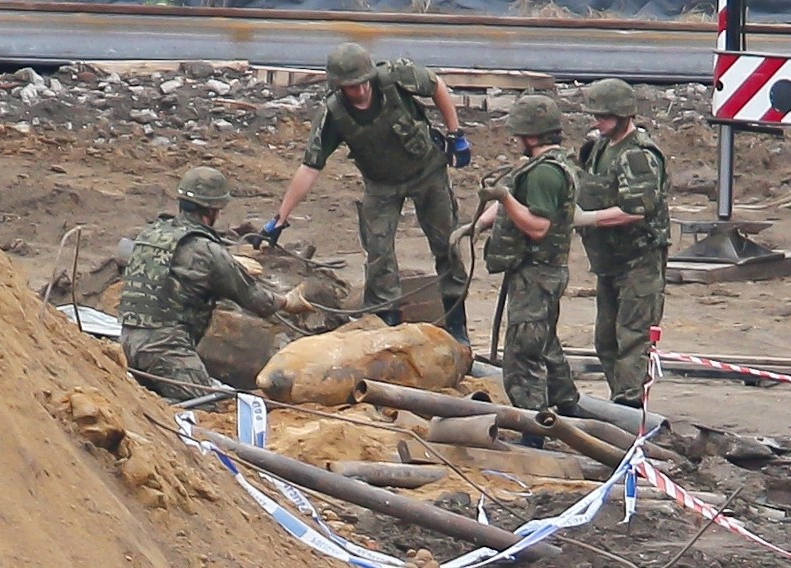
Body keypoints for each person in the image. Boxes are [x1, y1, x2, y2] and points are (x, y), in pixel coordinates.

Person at [253, 42, 472, 345]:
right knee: (379, 256)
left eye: (361, 83)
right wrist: (279, 219)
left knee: (447, 246)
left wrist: (455, 133)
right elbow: (309, 168)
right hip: (381, 185)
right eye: (349, 87)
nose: (358, 91)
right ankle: (387, 326)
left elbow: (436, 86)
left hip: (427, 173)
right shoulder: (334, 115)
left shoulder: (396, 77)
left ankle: (457, 327)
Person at [118, 166, 314, 402]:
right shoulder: (208, 251)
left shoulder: (150, 233)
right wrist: (286, 301)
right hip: (166, 350)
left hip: (127, 342)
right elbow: (254, 298)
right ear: (213, 210)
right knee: (203, 405)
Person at [456, 94, 580, 448]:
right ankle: (570, 411)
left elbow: (537, 226)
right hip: (533, 274)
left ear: (531, 135)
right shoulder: (536, 168)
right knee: (545, 344)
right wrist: (477, 225)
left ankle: (534, 433)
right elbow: (513, 202)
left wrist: (504, 199)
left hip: (539, 275)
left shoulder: (544, 174)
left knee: (523, 357)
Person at [574, 78, 671, 408]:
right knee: (606, 340)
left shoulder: (637, 157)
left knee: (632, 340)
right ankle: (621, 403)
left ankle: (628, 412)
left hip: (638, 262)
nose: (596, 121)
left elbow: (635, 211)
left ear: (622, 114)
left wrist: (587, 219)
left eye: (602, 115)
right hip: (610, 262)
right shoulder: (602, 147)